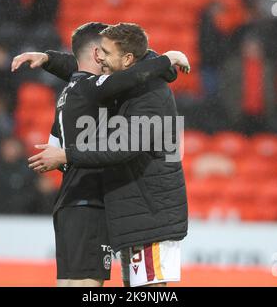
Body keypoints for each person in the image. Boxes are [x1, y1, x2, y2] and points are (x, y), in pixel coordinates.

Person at [12, 22, 190, 287]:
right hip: (134, 211)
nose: (99, 58)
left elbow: (124, 147)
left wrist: (67, 156)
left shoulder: (152, 93)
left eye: (105, 53)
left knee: (151, 291)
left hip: (151, 213)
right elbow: (88, 74)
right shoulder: (126, 81)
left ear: (128, 59)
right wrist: (49, 59)